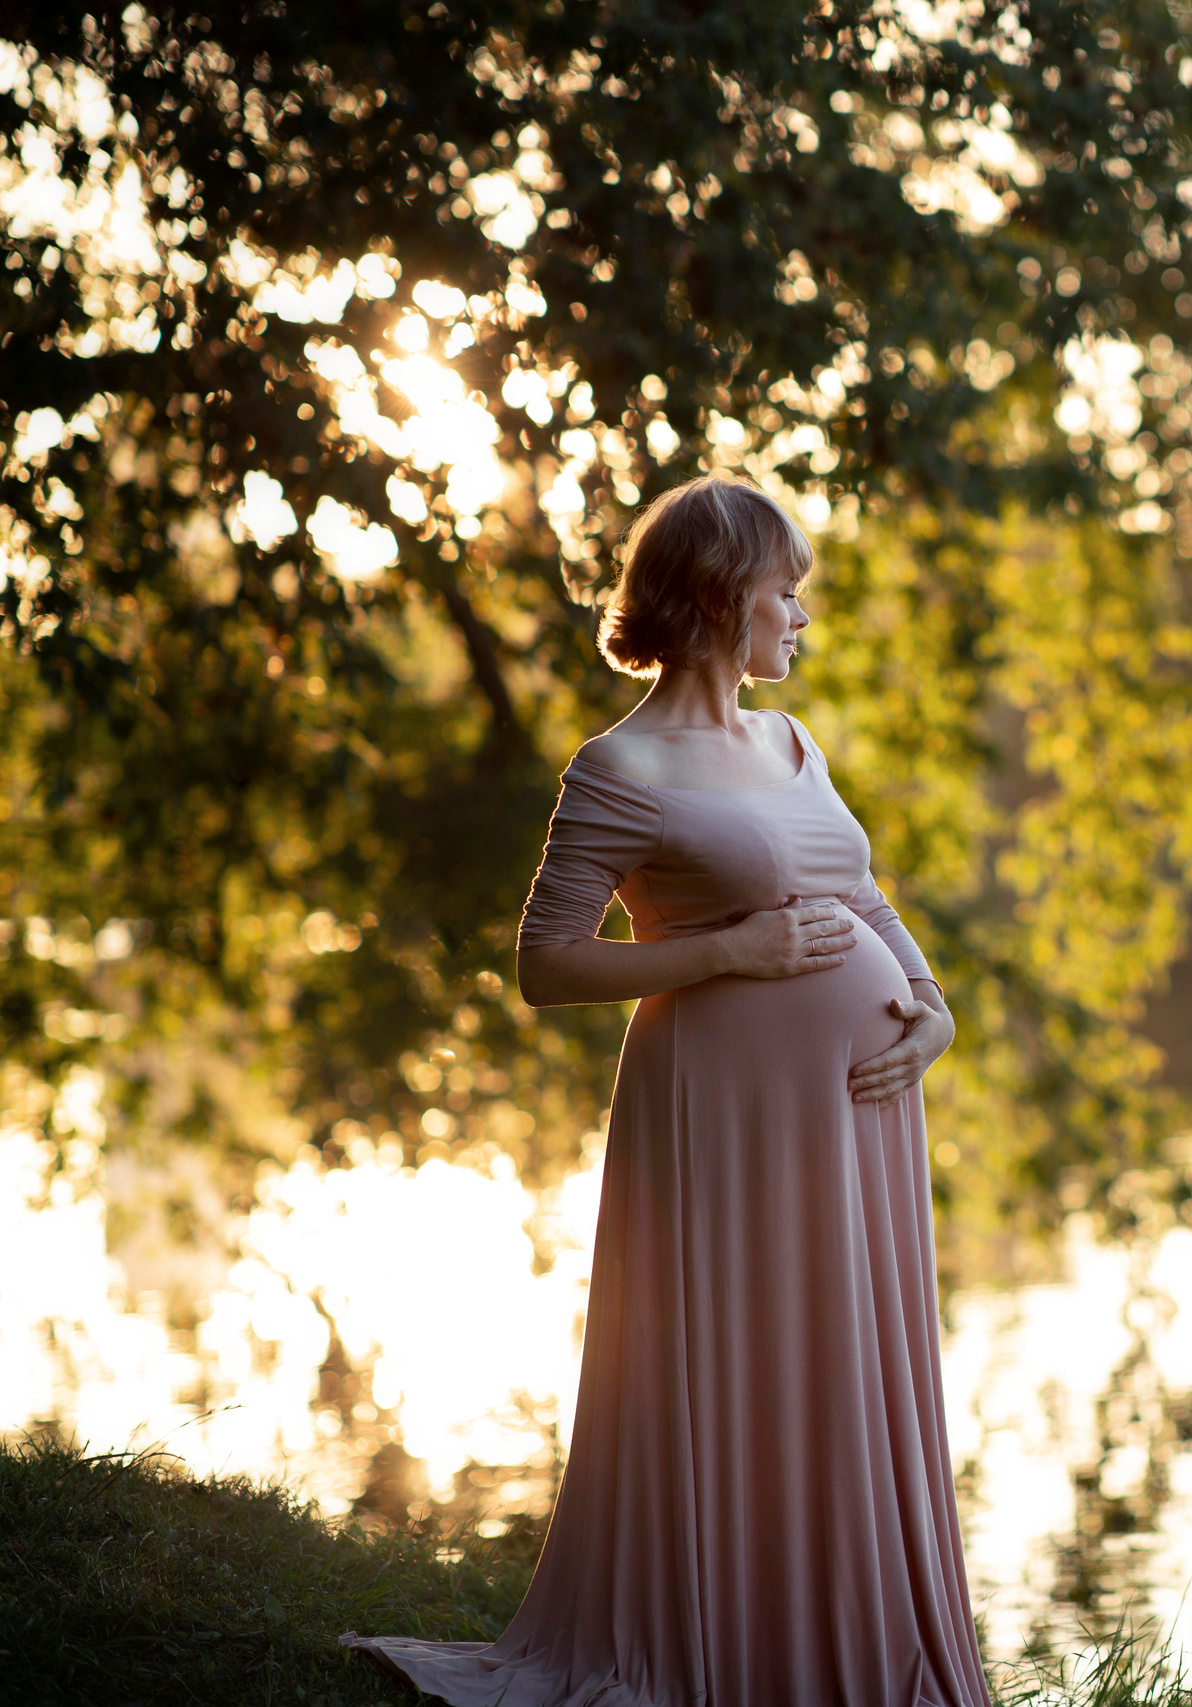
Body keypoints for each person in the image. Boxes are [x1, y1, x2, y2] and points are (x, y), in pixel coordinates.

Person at [344, 474, 992, 1707]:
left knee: (845, 1369)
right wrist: (723, 954)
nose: (800, 618)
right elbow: (545, 963)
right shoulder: (619, 767)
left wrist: (930, 1002)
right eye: (785, 593)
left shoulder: (790, 742)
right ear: (718, 595)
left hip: (856, 1115)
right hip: (723, 1116)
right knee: (735, 1367)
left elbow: (860, 896)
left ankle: (853, 1643)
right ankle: (733, 1644)